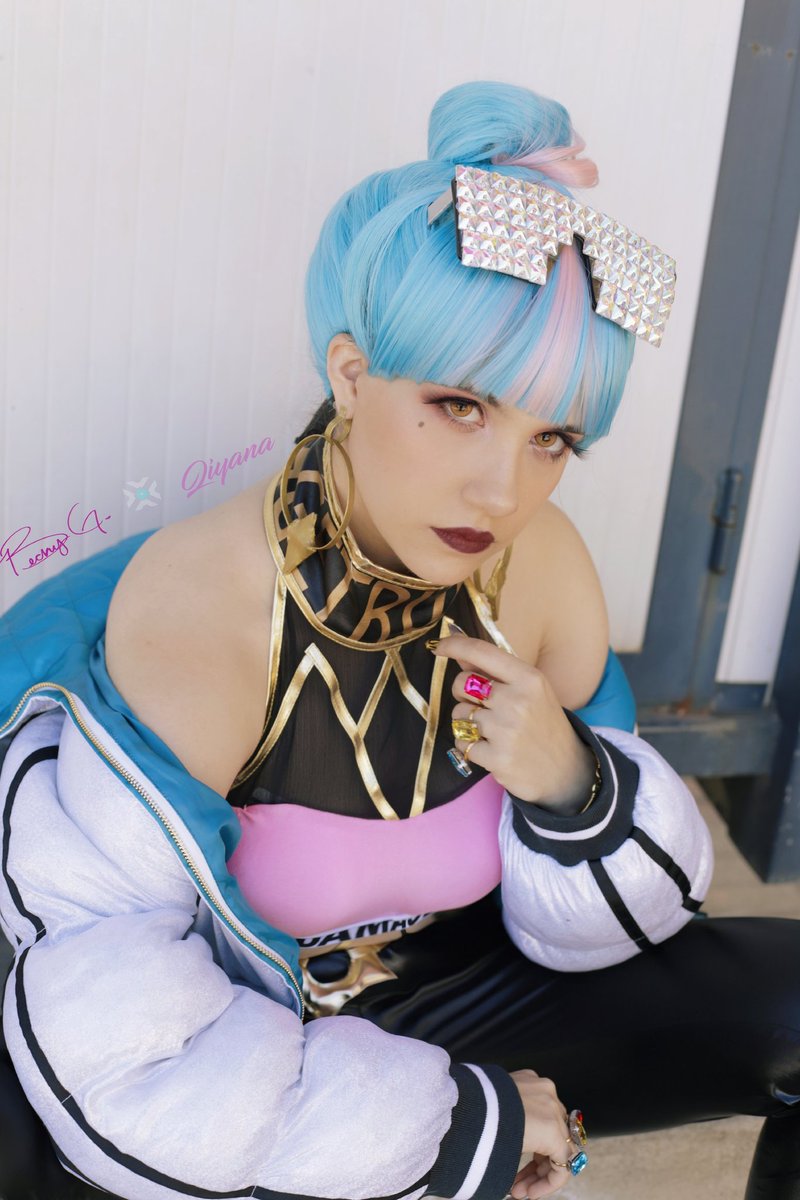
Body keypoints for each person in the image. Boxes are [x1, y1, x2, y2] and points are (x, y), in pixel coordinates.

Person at [0, 79, 798, 1200]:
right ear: (350, 374)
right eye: (461, 407)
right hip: (252, 1040)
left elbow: (630, 929)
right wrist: (459, 1134)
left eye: (551, 437)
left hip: (463, 994)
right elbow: (131, 1064)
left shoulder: (539, 567)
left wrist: (573, 788)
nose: (502, 490)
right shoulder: (201, 615)